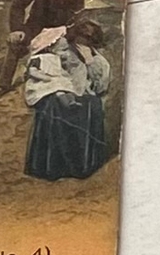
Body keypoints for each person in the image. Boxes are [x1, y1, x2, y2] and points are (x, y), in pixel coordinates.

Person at [19, 17, 114, 180]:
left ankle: (80, 166)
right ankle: (52, 167)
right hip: (54, 91)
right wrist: (59, 90)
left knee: (91, 105)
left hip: (82, 96)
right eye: (82, 37)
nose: (84, 42)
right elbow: (43, 69)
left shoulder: (96, 58)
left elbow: (101, 86)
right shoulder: (58, 46)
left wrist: (90, 61)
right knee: (55, 106)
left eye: (89, 39)